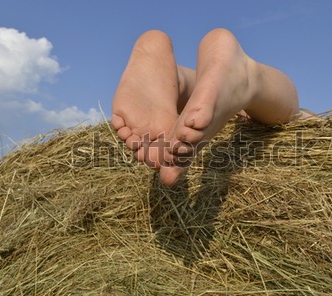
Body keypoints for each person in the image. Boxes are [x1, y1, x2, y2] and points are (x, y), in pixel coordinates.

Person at [112, 28, 313, 186]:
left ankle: (177, 80)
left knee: (210, 94)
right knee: (297, 116)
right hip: (259, 110)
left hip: (223, 106)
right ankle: (245, 77)